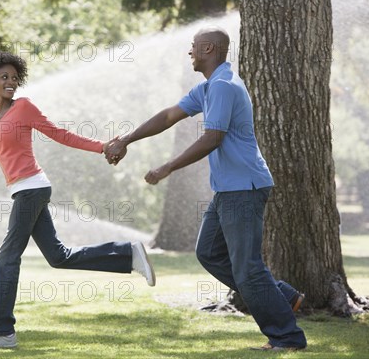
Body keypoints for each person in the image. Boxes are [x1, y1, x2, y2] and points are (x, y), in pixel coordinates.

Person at [105, 27, 307, 351]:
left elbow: (213, 137)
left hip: (244, 188)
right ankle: (283, 296)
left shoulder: (225, 87)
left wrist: (167, 167)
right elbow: (170, 115)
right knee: (209, 253)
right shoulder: (208, 87)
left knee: (247, 269)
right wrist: (127, 139)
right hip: (229, 189)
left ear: (208, 48)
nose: (189, 52)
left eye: (193, 47)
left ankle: (287, 336)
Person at [0, 52, 155, 350]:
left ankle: (0, 333)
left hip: (33, 188)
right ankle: (127, 254)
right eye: (4, 77)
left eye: (15, 77)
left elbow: (60, 134)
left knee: (6, 257)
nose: (11, 82)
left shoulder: (24, 108)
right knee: (59, 257)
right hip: (24, 190)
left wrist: (102, 145)